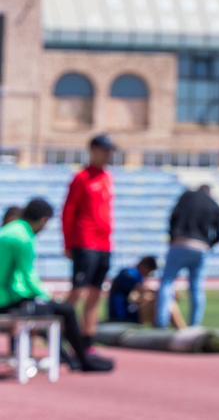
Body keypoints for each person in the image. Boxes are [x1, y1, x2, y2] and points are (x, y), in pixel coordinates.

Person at [0, 197, 115, 372]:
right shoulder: (23, 237)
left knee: (49, 309)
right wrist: (46, 295)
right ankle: (83, 360)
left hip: (7, 297)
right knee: (64, 310)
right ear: (44, 220)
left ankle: (70, 358)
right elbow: (27, 276)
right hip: (5, 302)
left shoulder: (9, 231)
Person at [62, 133, 117, 340]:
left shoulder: (107, 178)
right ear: (93, 150)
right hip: (85, 242)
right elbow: (68, 212)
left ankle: (87, 339)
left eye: (110, 151)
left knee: (96, 293)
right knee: (78, 291)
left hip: (105, 244)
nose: (108, 155)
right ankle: (58, 332)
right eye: (105, 150)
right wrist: (68, 243)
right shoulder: (81, 179)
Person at [156, 183, 219, 328]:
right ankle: (195, 325)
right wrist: (210, 244)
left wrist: (172, 237)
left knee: (167, 282)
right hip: (200, 247)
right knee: (197, 287)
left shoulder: (186, 197)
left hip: (179, 243)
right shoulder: (213, 203)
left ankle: (161, 322)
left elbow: (173, 218)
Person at [107, 255, 186, 328]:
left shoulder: (132, 274)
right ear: (145, 267)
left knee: (164, 302)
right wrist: (161, 294)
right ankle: (182, 332)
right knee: (166, 303)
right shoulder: (130, 274)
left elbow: (139, 295)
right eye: (150, 271)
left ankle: (167, 332)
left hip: (128, 313)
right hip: (124, 316)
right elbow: (137, 295)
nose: (148, 274)